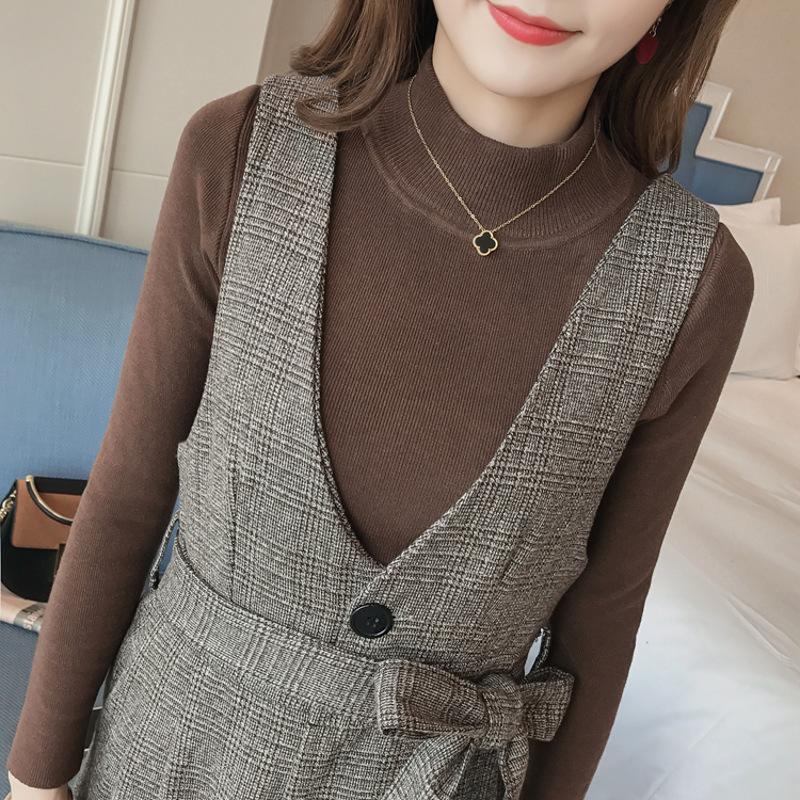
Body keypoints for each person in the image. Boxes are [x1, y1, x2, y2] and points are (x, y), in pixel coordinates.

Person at [6, 0, 753, 798]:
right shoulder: (243, 148)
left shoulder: (693, 284)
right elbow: (128, 493)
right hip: (166, 759)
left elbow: (602, 618)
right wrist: (38, 775)